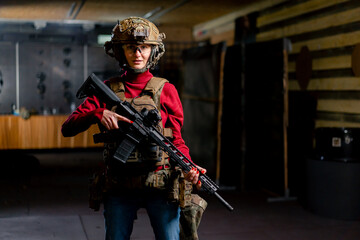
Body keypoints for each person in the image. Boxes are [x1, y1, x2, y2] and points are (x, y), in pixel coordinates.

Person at [61, 16, 206, 240]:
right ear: (120, 51)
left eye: (144, 47)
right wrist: (98, 113)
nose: (137, 54)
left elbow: (175, 140)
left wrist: (189, 166)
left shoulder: (166, 90)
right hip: (119, 186)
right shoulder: (107, 89)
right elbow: (67, 127)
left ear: (152, 51)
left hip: (160, 185)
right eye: (131, 47)